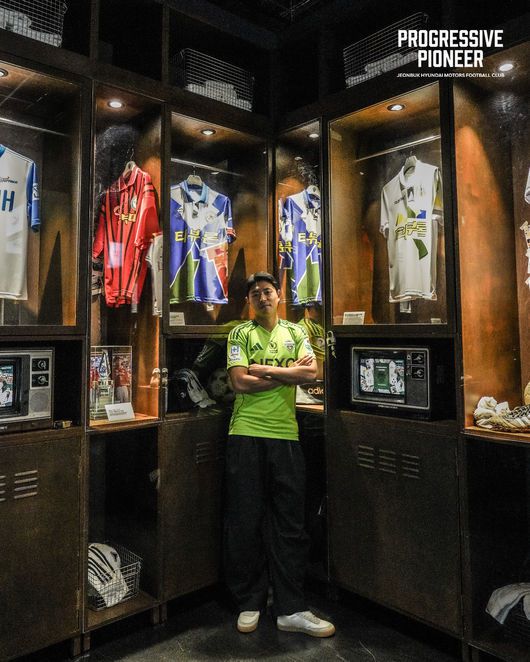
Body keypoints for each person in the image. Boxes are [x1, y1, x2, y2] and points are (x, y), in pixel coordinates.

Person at [224, 271, 335, 637]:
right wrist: (287, 373)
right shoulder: (240, 333)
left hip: (286, 435)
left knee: (290, 523)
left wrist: (266, 370)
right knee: (246, 521)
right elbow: (239, 381)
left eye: (267, 291)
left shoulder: (295, 332)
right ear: (249, 301)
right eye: (255, 293)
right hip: (245, 434)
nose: (262, 297)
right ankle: (250, 601)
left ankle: (291, 608)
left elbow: (312, 373)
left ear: (278, 295)